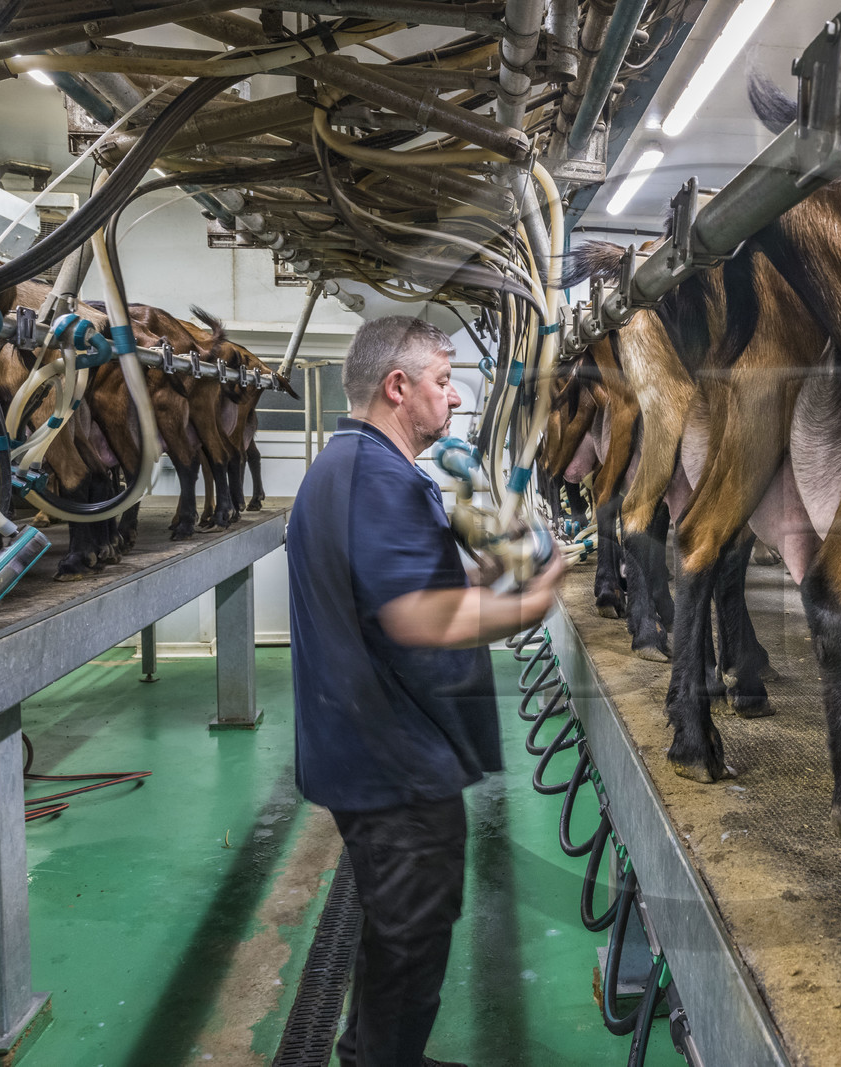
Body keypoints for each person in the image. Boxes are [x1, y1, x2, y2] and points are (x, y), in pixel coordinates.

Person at [286, 315, 565, 1067]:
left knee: (392, 922)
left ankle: (372, 1052)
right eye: (443, 382)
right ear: (396, 386)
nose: (454, 399)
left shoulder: (352, 463)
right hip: (391, 760)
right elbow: (415, 615)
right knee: (414, 931)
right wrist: (530, 604)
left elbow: (399, 583)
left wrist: (479, 574)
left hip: (368, 746)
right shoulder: (377, 477)